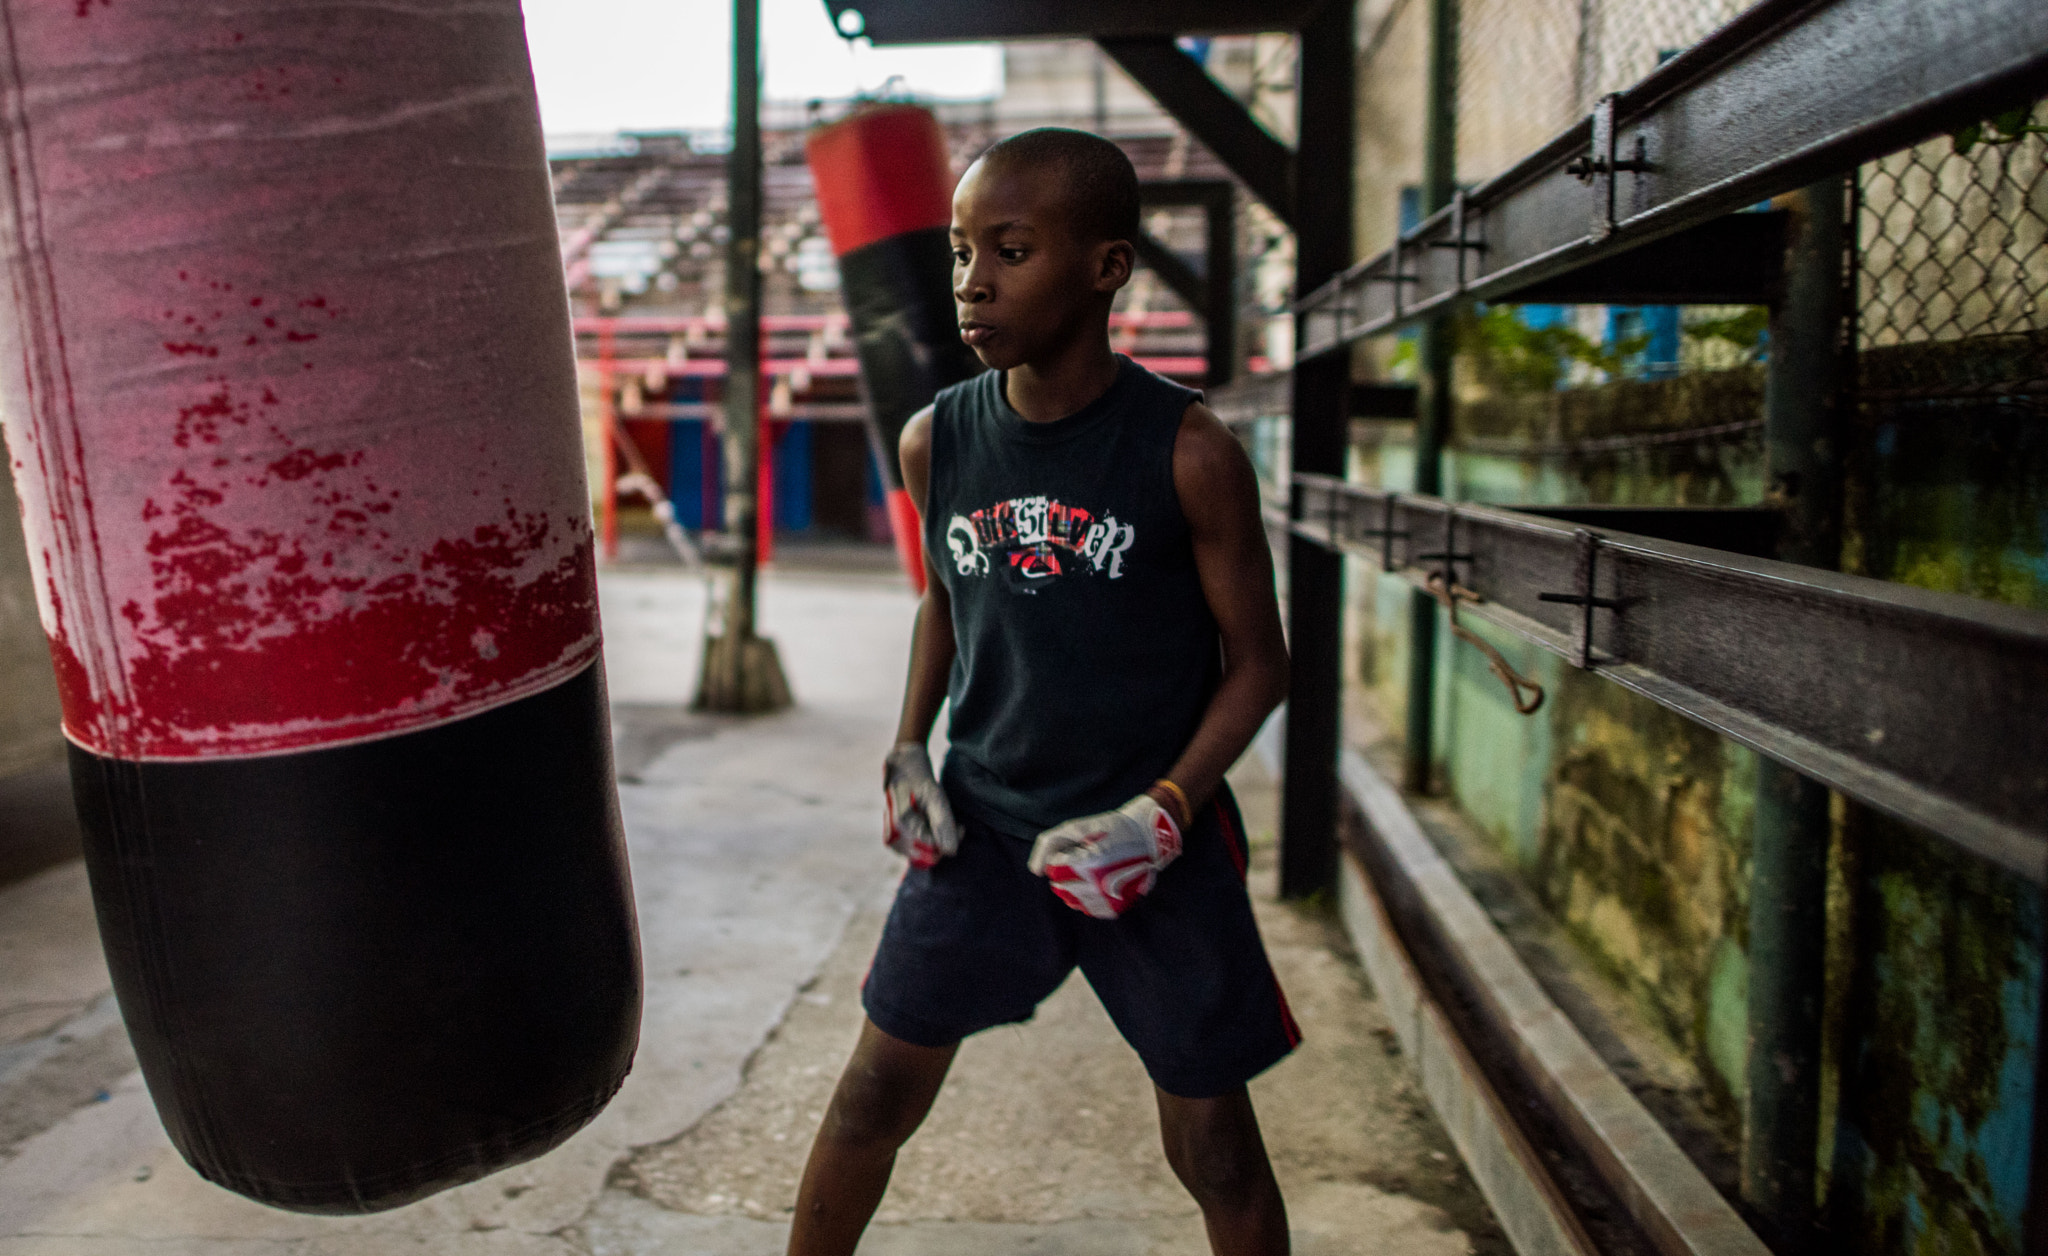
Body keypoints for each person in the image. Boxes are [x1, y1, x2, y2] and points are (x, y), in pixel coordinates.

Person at [787, 127, 1298, 1256]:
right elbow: (945, 601)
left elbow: (1261, 662)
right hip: (987, 823)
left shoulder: (1189, 451)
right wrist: (910, 747)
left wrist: (1165, 809)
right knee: (872, 1094)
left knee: (1213, 1150)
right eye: (962, 250)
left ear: (1106, 268)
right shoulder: (938, 440)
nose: (972, 281)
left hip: (1149, 841)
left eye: (1009, 250)